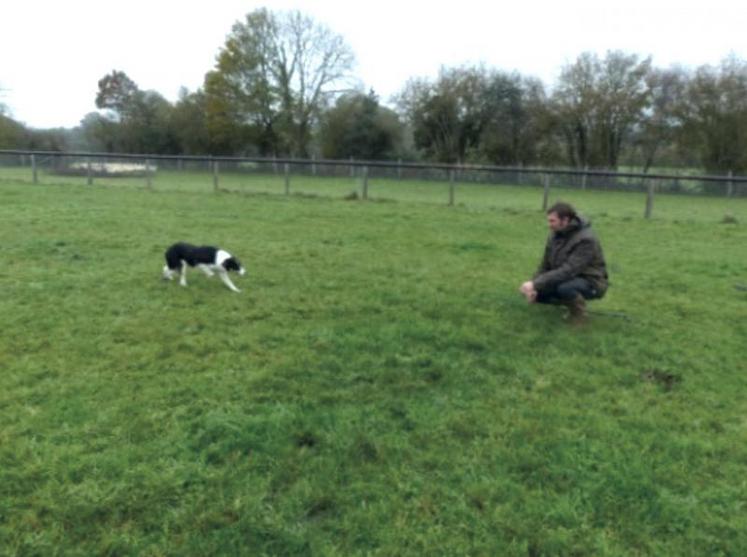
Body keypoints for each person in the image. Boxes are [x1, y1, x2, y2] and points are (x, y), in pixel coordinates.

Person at [519, 202, 608, 322]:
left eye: (552, 221)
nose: (549, 225)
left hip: (591, 281)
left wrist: (535, 284)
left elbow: (569, 270)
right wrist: (534, 285)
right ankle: (569, 304)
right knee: (539, 294)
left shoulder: (587, 239)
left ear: (565, 220)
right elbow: (545, 265)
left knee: (565, 288)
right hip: (568, 276)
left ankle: (579, 317)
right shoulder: (555, 235)